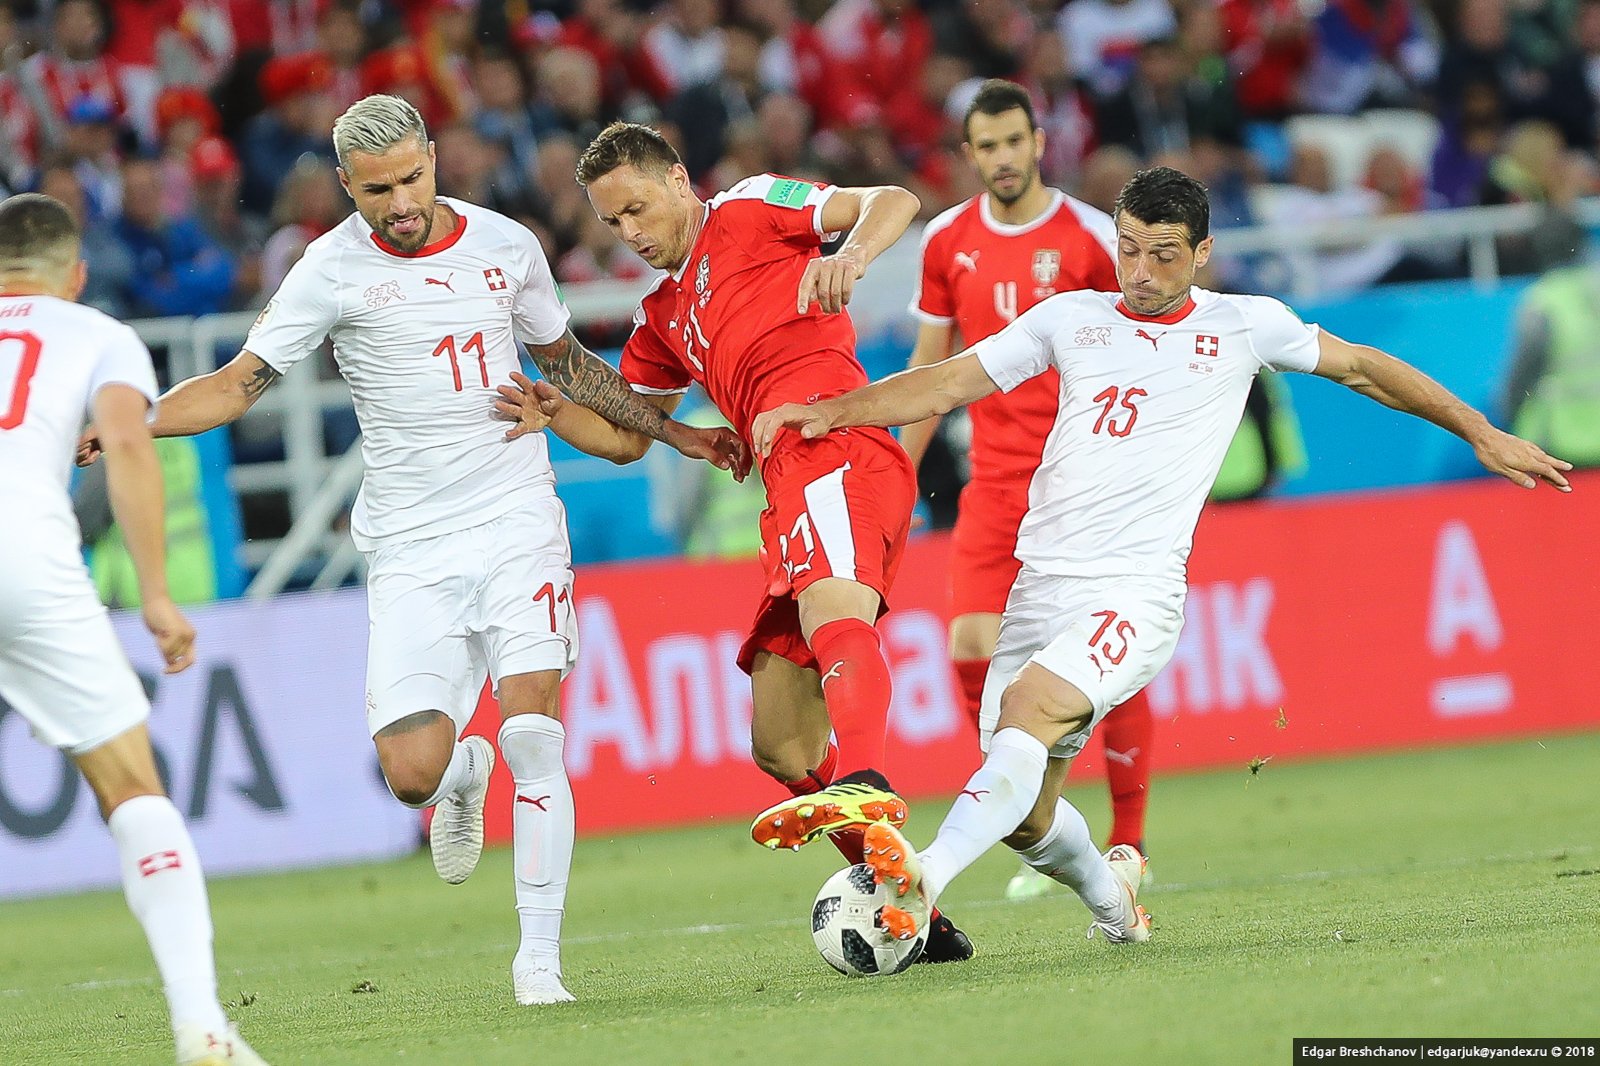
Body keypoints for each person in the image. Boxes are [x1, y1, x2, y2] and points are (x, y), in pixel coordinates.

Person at [750, 166, 1572, 948]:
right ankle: (1115, 902)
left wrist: (1481, 431)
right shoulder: (1070, 319)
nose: (1141, 271)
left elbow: (1365, 369)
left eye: (1164, 254)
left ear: (1203, 253)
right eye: (1130, 249)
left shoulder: (1244, 324)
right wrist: (833, 411)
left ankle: (918, 882)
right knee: (1030, 818)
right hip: (1042, 586)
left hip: (1135, 594)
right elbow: (946, 382)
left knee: (1032, 713)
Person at [77, 95, 746, 1006]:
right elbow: (238, 387)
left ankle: (538, 962)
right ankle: (461, 773)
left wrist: (681, 436)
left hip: (516, 513)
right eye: (376, 190)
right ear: (344, 184)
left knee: (534, 733)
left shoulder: (507, 245)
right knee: (412, 774)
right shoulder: (328, 271)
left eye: (411, 178)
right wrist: (135, 421)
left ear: (434, 156)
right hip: (409, 543)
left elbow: (574, 371)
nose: (398, 203)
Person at [495, 120, 977, 961]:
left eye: (639, 209)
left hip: (835, 442)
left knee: (836, 610)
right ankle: (912, 910)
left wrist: (849, 257)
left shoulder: (752, 209)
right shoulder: (662, 315)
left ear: (679, 180)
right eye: (613, 225)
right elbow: (627, 435)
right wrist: (554, 412)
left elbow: (893, 200)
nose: (633, 235)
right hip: (780, 481)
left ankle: (866, 781)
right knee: (782, 746)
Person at [0, 193, 266, 1064]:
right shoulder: (95, 333)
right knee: (133, 791)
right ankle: (201, 1029)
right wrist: (154, 595)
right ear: (75, 273)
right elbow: (130, 445)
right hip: (27, 561)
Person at [902, 79, 1159, 902]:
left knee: (1097, 664)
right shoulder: (945, 241)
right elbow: (928, 374)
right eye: (988, 145)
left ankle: (1128, 842)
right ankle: (1036, 818)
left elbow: (1142, 350)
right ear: (969, 154)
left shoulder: (1091, 237)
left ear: (1039, 142)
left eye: (1016, 141)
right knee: (972, 648)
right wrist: (895, 479)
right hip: (994, 477)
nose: (1004, 157)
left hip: (1085, 480)